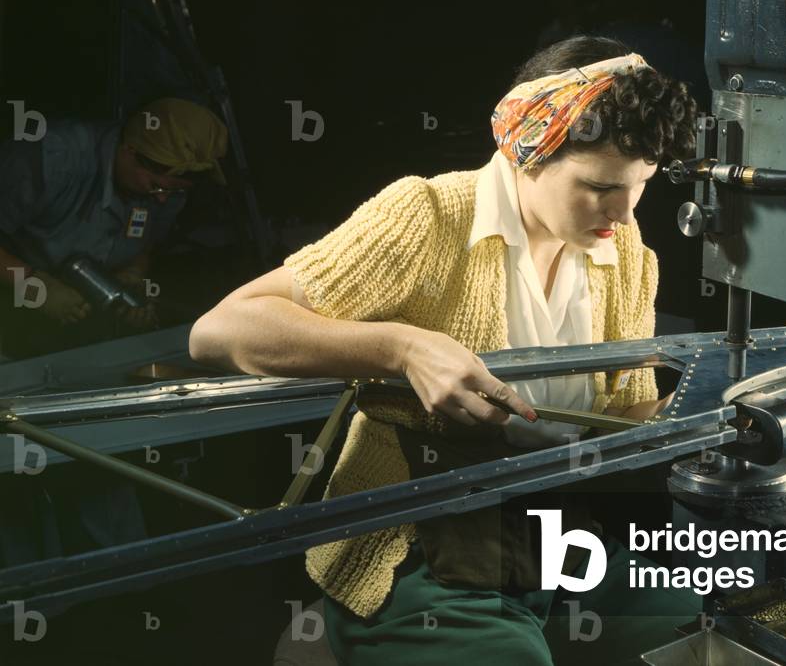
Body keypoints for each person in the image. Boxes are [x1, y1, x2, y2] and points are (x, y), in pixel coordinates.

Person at [189, 36, 700, 665]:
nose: (622, 215)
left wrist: (698, 407)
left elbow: (616, 420)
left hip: (563, 536)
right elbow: (220, 330)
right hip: (422, 543)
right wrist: (400, 347)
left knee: (709, 627)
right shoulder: (429, 217)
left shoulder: (624, 255)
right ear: (525, 149)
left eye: (640, 185)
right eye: (599, 187)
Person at [0, 97, 228, 358]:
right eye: (156, 185)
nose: (162, 198)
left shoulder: (168, 190)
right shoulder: (52, 158)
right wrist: (30, 285)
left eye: (172, 190)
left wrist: (132, 275)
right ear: (129, 151)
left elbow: (147, 241)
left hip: (77, 317)